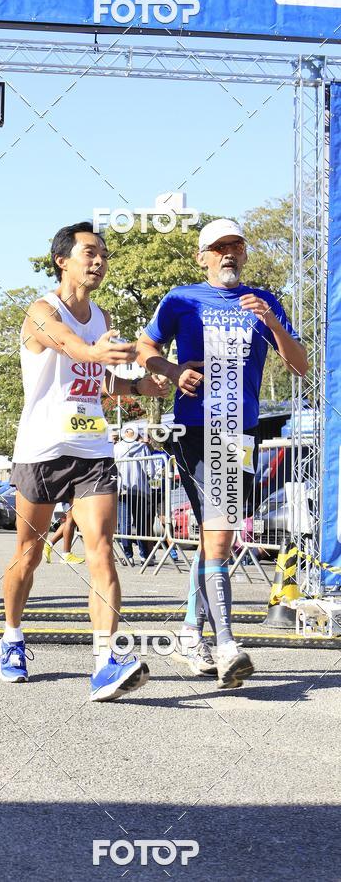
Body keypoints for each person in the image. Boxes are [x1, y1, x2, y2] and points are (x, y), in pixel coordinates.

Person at [0, 221, 169, 701]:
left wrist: (137, 385)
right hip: (42, 449)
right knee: (27, 556)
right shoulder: (40, 311)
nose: (99, 261)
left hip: (92, 447)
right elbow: (67, 346)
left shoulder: (102, 314)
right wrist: (94, 350)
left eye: (103, 255)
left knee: (101, 548)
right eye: (89, 252)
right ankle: (11, 636)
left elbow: (94, 380)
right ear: (63, 260)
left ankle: (105, 661)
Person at [137, 218, 308, 689]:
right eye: (218, 247)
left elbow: (300, 365)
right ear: (203, 256)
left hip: (241, 434)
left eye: (235, 245)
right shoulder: (181, 298)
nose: (228, 253)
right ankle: (228, 645)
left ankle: (193, 634)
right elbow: (144, 347)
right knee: (217, 535)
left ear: (245, 254)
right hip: (195, 429)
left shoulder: (264, 301)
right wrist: (172, 372)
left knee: (219, 538)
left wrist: (272, 321)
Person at [114, 423, 155, 567]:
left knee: (124, 523)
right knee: (141, 524)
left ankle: (127, 555)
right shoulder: (143, 448)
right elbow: (151, 470)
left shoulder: (116, 448)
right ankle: (144, 555)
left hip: (122, 489)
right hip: (140, 490)